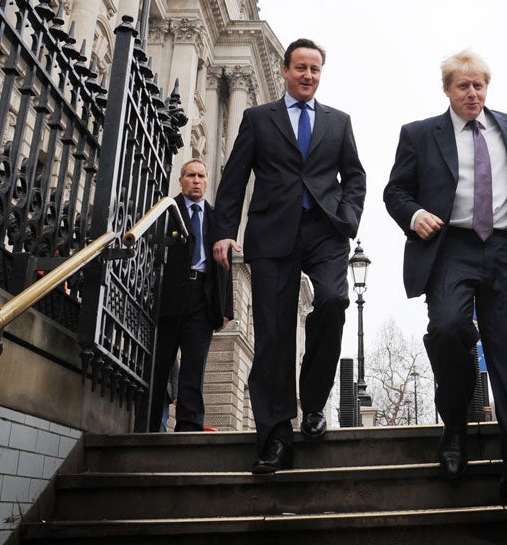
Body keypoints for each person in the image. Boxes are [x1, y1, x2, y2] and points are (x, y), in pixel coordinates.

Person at [383, 49, 507, 510]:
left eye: (479, 85)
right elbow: (394, 191)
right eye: (463, 86)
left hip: (506, 249)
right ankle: (454, 424)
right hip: (451, 245)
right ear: (447, 90)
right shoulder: (420, 134)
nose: (473, 93)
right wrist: (415, 213)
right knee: (447, 328)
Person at [212, 38, 366, 474]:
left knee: (335, 302)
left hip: (324, 232)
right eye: (300, 68)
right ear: (285, 71)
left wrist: (348, 216)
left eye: (315, 69)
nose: (308, 76)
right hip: (272, 233)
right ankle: (276, 435)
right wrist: (224, 231)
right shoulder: (258, 119)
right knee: (274, 333)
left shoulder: (339, 122)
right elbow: (235, 175)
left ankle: (313, 403)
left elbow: (355, 176)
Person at [148, 158, 233, 433]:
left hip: (203, 298)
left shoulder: (215, 218)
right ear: (181, 180)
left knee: (194, 365)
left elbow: (225, 266)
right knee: (161, 361)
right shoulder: (167, 210)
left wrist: (225, 309)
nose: (196, 180)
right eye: (190, 175)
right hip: (170, 294)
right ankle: (148, 421)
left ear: (207, 182)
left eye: (201, 176)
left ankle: (189, 424)